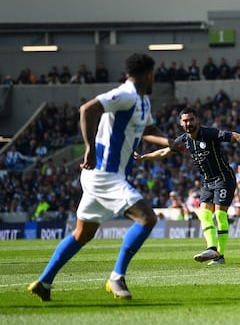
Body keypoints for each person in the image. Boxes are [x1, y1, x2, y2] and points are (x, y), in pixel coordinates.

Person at [28, 53, 177, 302]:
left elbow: (149, 129)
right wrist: (88, 147)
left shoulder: (143, 101)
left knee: (83, 234)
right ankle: (116, 277)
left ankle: (44, 282)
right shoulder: (125, 94)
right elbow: (88, 109)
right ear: (148, 74)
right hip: (104, 174)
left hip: (107, 176)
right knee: (147, 218)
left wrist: (171, 142)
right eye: (154, 74)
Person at [135, 107, 240, 265]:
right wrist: (143, 157)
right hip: (208, 182)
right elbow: (164, 152)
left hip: (224, 178)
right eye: (185, 121)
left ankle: (219, 255)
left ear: (197, 120)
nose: (188, 123)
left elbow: (237, 136)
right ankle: (213, 250)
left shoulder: (208, 133)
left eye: (191, 120)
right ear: (181, 123)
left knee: (220, 214)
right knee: (203, 214)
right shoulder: (183, 141)